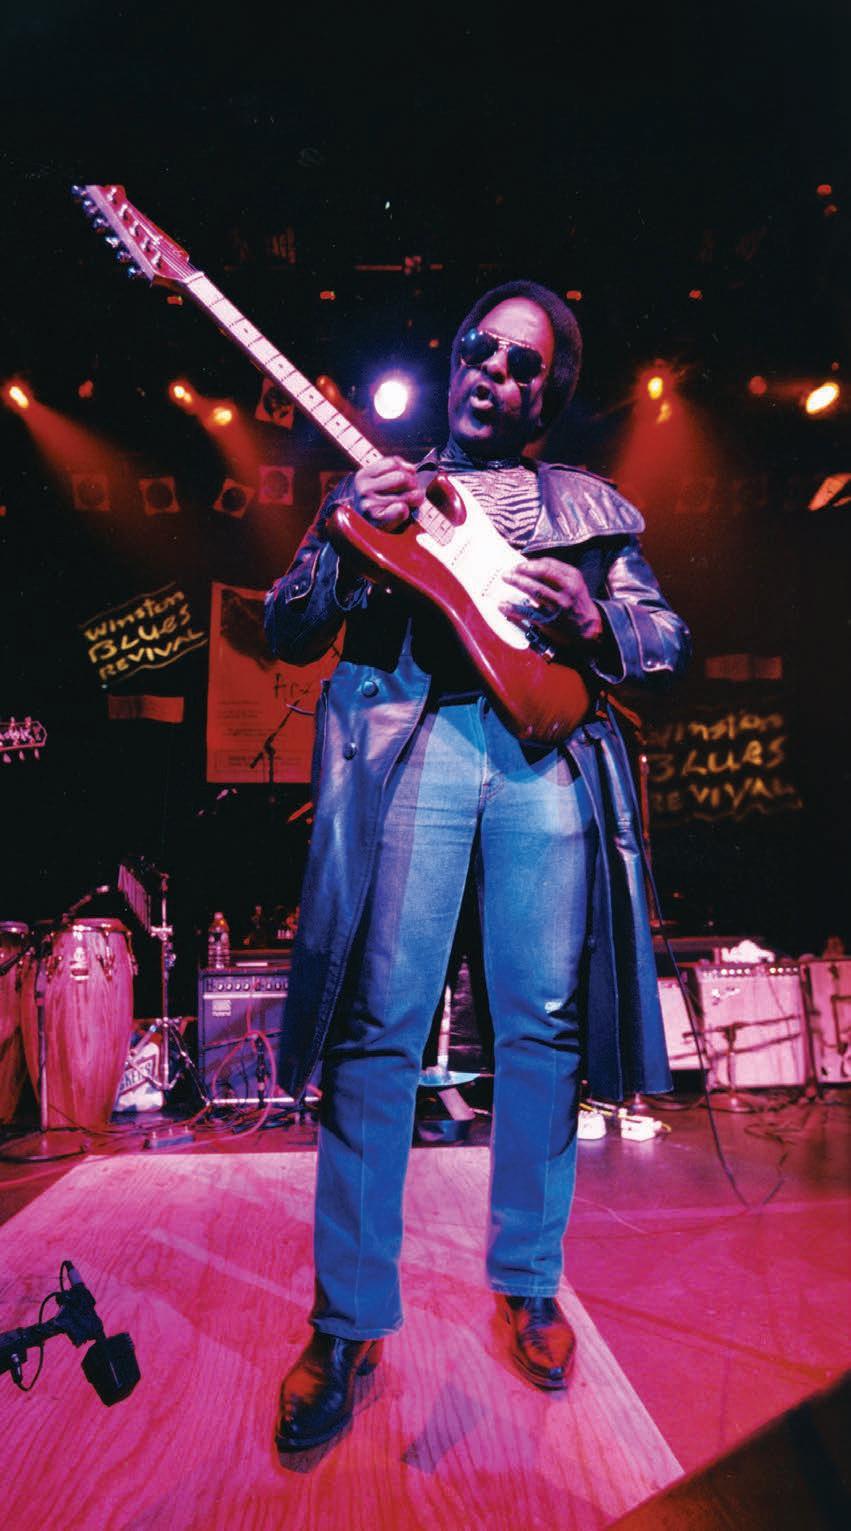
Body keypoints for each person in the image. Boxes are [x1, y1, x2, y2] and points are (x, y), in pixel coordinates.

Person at [264, 280, 691, 1452]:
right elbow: (286, 627)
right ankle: (346, 1324)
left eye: (519, 365)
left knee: (541, 1027)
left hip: (540, 757)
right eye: (477, 351)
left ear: (545, 395)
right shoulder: (378, 488)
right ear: (453, 359)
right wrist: (340, 531)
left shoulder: (586, 506)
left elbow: (662, 636)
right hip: (415, 748)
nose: (490, 374)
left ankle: (528, 1283)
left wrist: (594, 621)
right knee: (377, 1030)